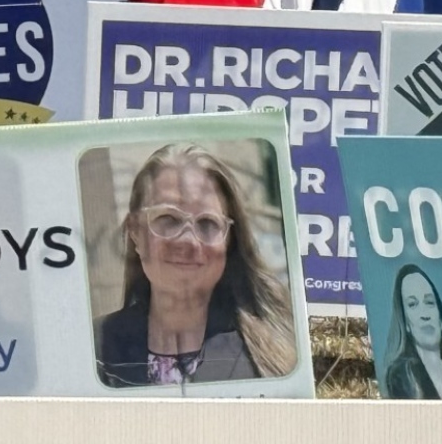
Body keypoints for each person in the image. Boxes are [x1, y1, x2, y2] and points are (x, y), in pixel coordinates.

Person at [95, 143, 297, 387]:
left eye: (207, 223)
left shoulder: (282, 353)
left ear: (230, 241)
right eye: (168, 218)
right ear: (135, 231)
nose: (188, 241)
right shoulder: (92, 349)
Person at [381, 264, 442, 399]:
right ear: (406, 324)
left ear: (441, 320)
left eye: (429, 302)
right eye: (412, 304)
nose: (425, 315)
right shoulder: (400, 380)